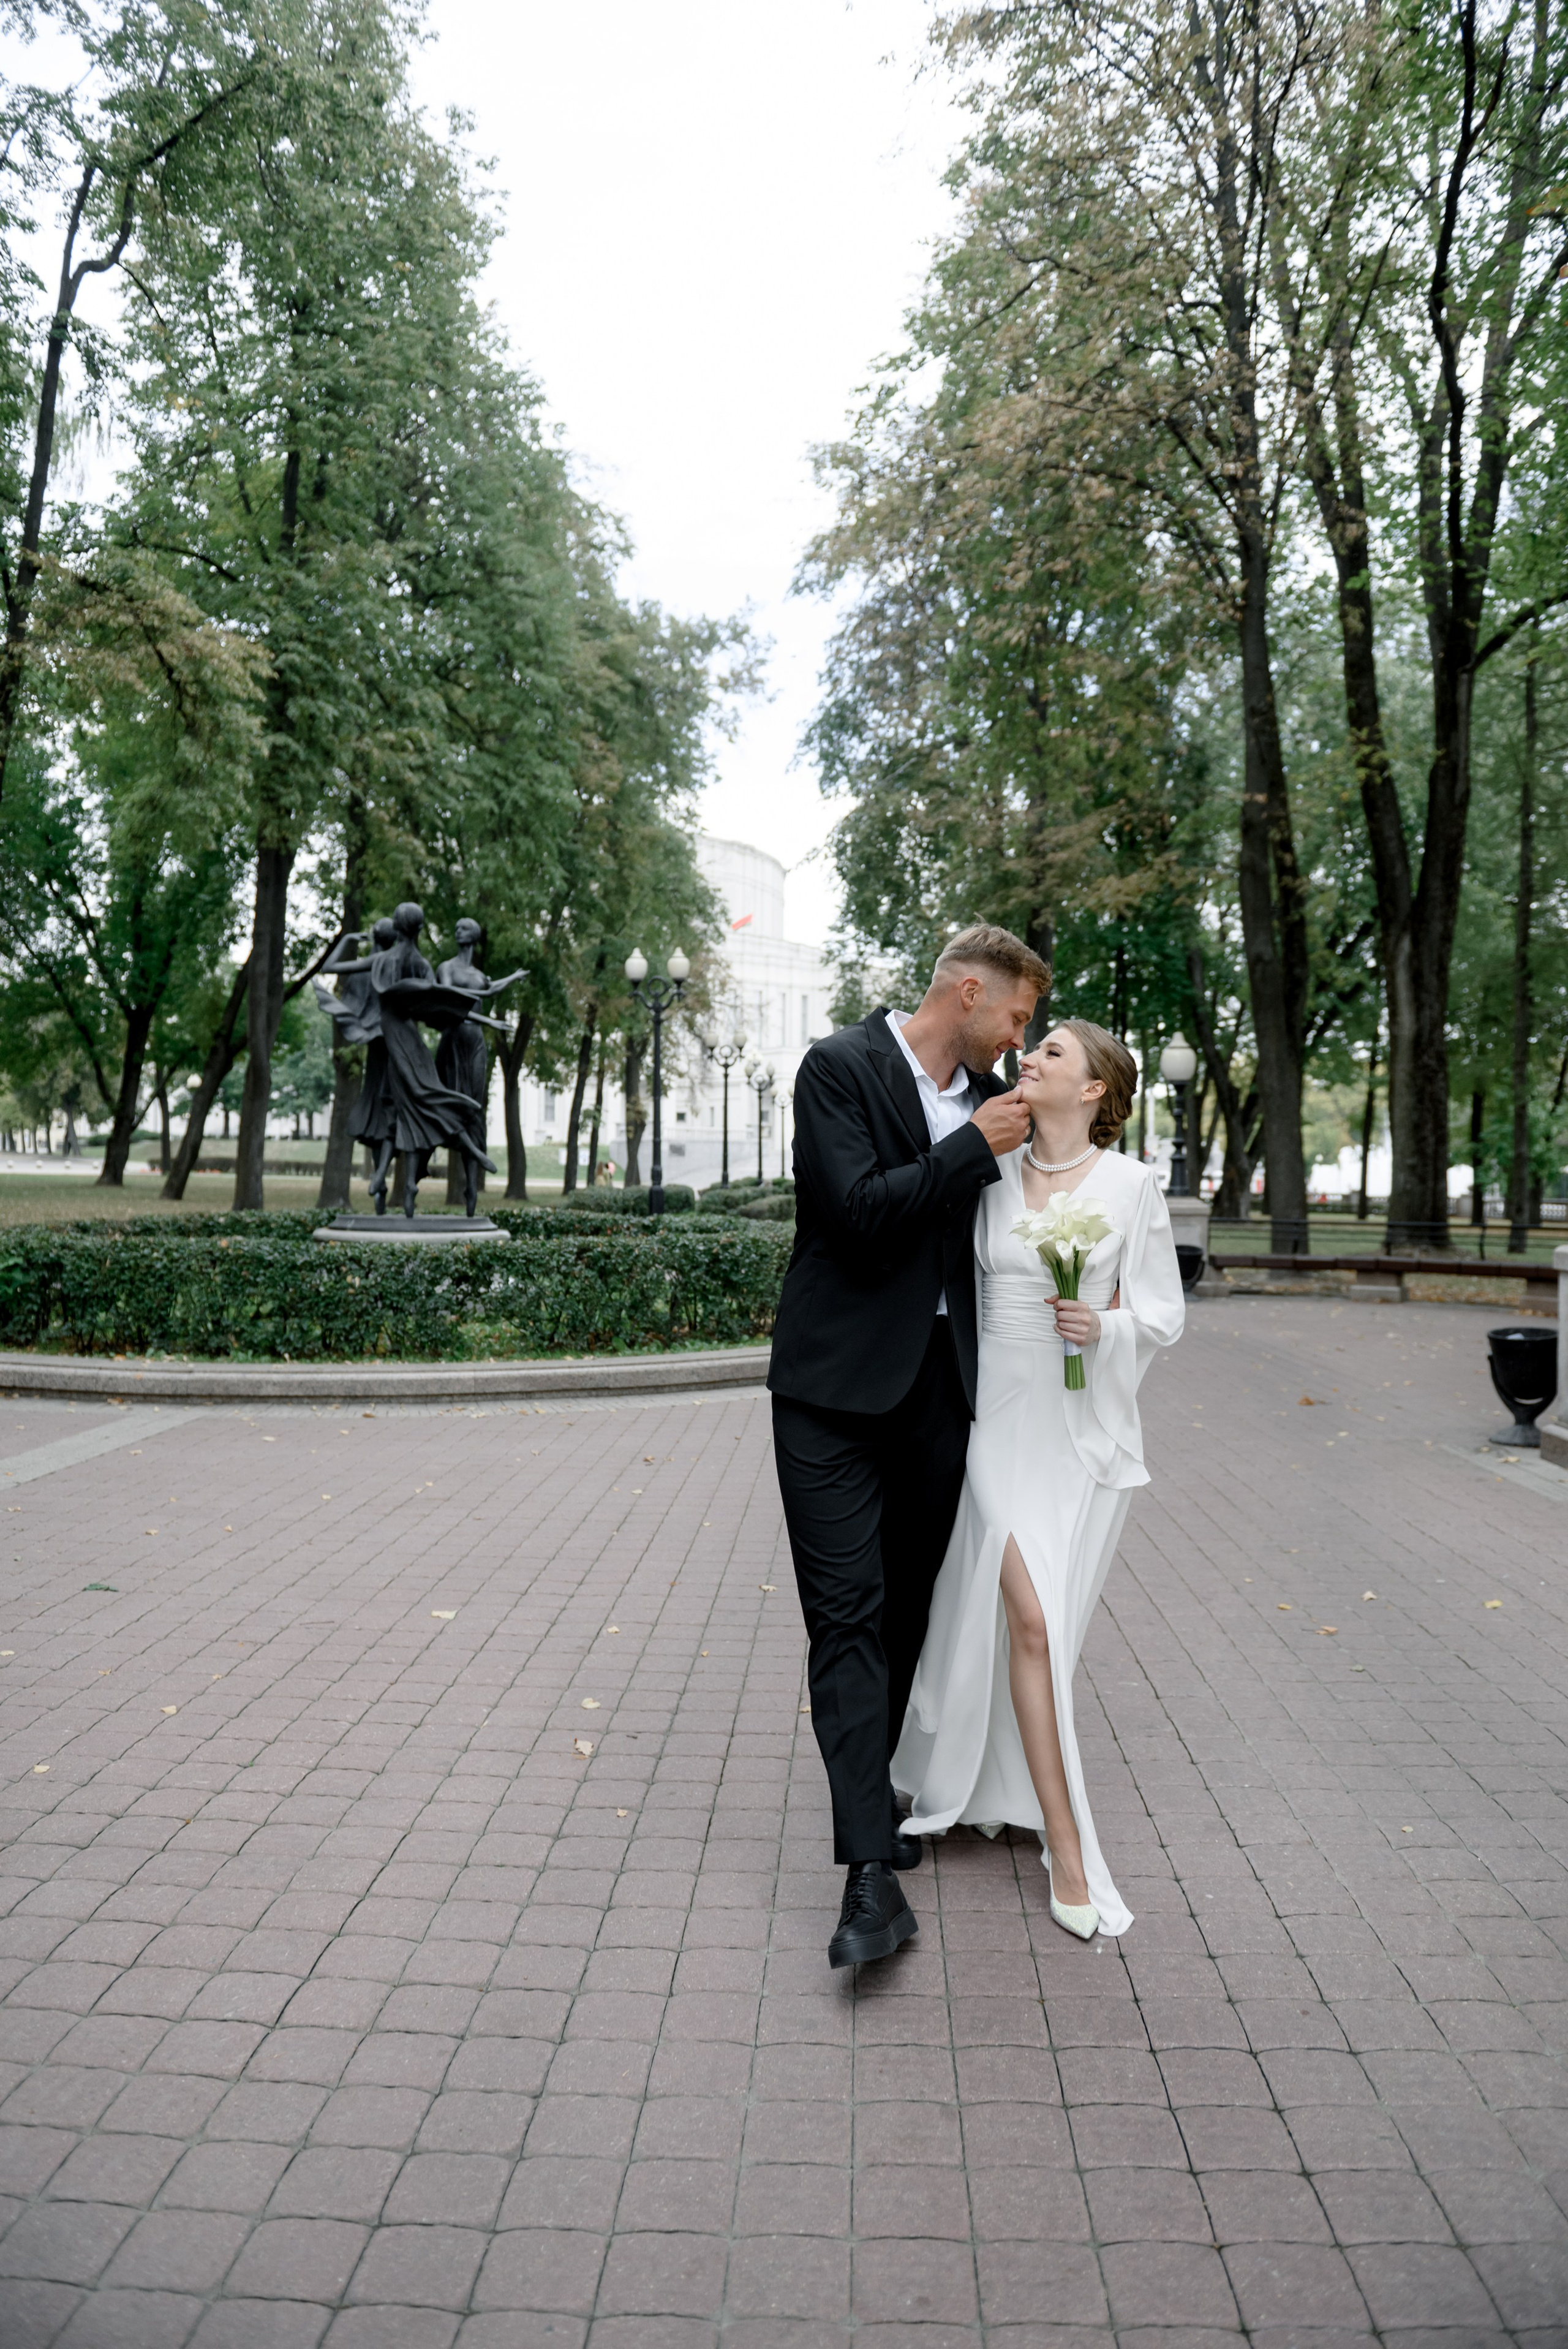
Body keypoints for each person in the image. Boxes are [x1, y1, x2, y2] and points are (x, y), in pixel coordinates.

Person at [769, 925, 1046, 1970]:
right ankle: (867, 1876)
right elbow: (855, 1214)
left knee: (904, 1613)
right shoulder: (839, 1068)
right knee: (846, 1615)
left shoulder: (999, 1103)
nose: (1019, 1038)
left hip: (941, 1393)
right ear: (968, 992)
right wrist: (971, 1148)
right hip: (831, 1392)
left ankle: (871, 1788)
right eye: (1015, 1015)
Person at [892, 1021, 1185, 1940]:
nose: (1031, 1057)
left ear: (1095, 1088)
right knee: (1032, 1620)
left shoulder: (1132, 1186)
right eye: (1034, 1047)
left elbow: (1163, 1312)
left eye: (1054, 1051)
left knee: (1044, 1629)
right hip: (993, 1422)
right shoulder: (987, 1174)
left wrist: (1106, 1328)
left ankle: (998, 1784)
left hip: (1078, 1427)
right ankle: (1067, 1843)